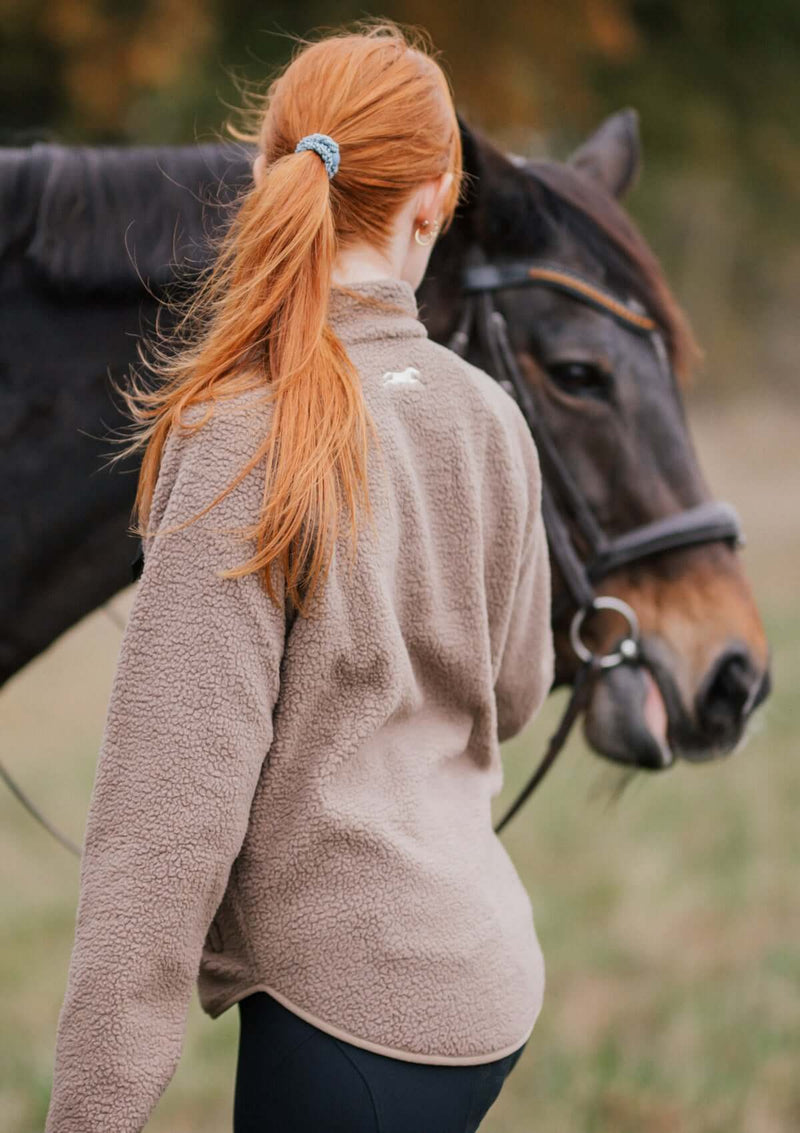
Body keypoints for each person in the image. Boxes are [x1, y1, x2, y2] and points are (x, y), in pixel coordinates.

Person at [44, 19, 555, 1133]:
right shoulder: (489, 415)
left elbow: (162, 819)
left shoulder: (240, 433)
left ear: (271, 171)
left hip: (351, 1031)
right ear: (434, 197)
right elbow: (514, 691)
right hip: (487, 984)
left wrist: (89, 1111)